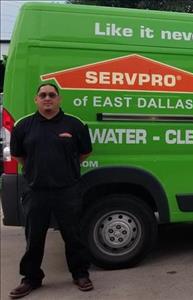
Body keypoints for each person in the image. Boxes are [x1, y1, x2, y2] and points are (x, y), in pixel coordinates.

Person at [9, 83, 93, 299]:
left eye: (52, 95)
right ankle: (31, 278)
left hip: (67, 190)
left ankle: (80, 273)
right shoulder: (23, 126)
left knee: (73, 235)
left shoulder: (75, 125)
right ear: (36, 99)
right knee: (34, 237)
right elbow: (19, 156)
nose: (48, 98)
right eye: (43, 95)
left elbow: (85, 152)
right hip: (36, 191)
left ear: (59, 99)